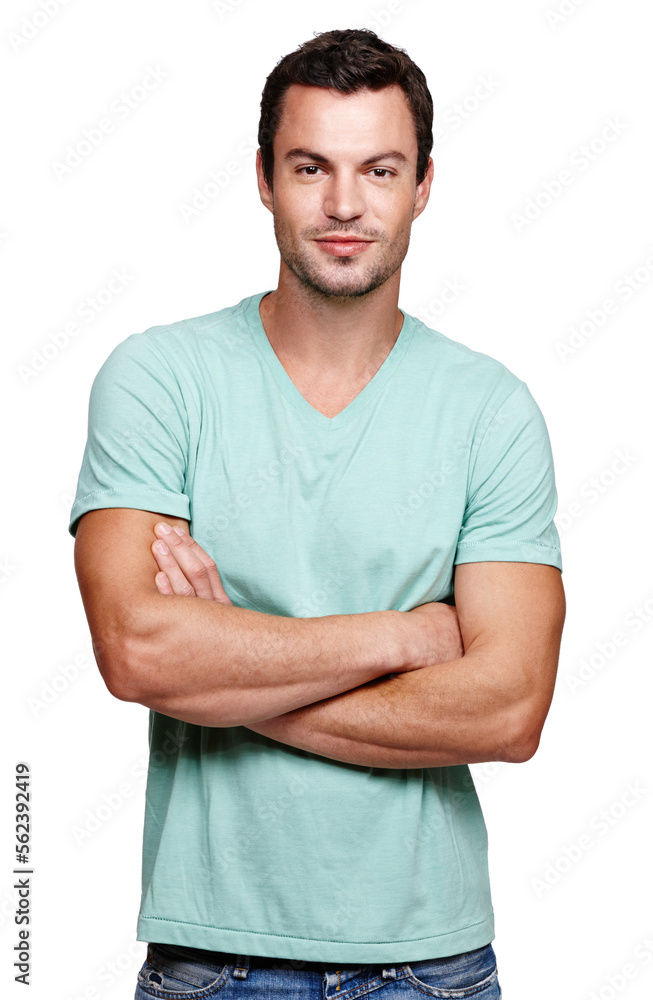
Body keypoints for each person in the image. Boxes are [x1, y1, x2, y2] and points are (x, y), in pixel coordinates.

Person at [69, 27, 565, 999]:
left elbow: (507, 707)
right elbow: (140, 652)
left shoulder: (489, 410)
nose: (344, 204)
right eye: (311, 166)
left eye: (378, 169)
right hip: (213, 963)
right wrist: (405, 636)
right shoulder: (159, 379)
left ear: (422, 184)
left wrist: (228, 666)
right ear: (262, 176)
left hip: (430, 964)